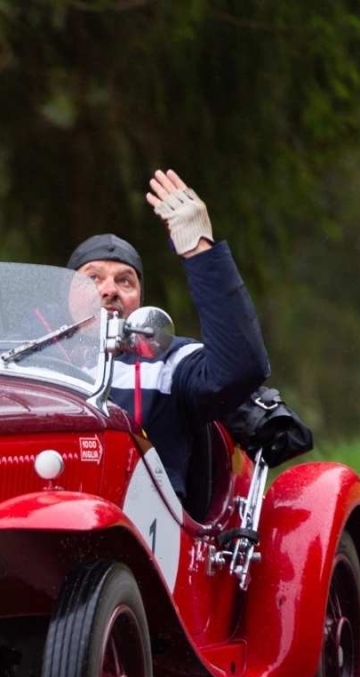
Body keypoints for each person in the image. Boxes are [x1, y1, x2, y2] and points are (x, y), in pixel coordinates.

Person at [66, 168, 270, 504]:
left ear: (139, 305)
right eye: (92, 278)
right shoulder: (29, 365)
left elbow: (240, 368)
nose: (109, 290)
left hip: (149, 534)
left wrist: (199, 250)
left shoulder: (169, 362)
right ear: (66, 297)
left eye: (125, 281)